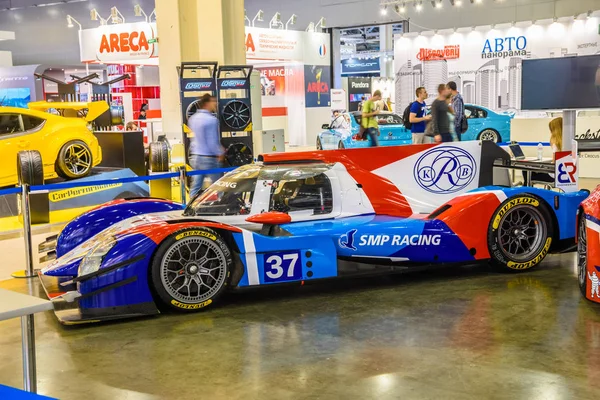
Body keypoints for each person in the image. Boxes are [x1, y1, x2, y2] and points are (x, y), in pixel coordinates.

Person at [188, 94, 225, 198]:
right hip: (209, 159)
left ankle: (191, 206)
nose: (215, 104)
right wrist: (220, 153)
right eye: (213, 102)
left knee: (196, 186)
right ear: (207, 103)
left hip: (196, 157)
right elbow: (212, 141)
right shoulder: (211, 120)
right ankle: (222, 204)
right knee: (219, 185)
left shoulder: (193, 119)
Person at [531, 117, 562, 183]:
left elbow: (553, 163)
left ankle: (527, 190)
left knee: (527, 171)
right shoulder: (567, 143)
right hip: (562, 175)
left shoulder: (556, 144)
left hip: (553, 176)